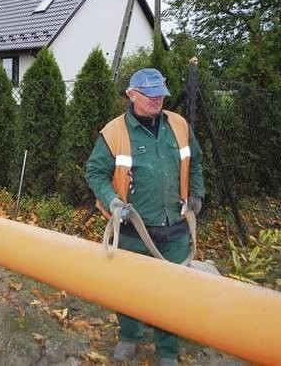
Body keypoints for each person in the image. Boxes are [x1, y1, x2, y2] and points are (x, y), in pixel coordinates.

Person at [85, 68, 205, 366]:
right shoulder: (114, 132)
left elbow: (197, 162)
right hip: (132, 231)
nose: (157, 100)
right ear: (132, 95)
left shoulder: (178, 125)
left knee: (171, 294)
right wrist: (112, 201)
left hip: (175, 229)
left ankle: (167, 352)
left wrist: (197, 194)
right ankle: (130, 336)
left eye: (160, 94)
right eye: (149, 94)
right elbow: (95, 172)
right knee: (129, 289)